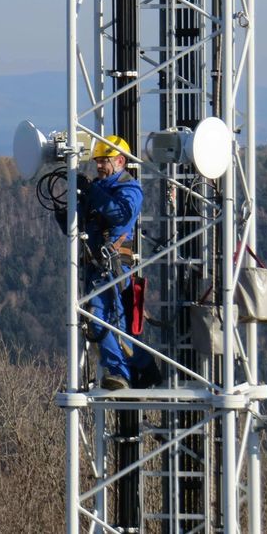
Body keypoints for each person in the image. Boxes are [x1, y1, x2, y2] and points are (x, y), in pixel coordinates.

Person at [78, 135, 159, 390]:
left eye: (105, 161)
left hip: (115, 267)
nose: (100, 166)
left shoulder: (129, 188)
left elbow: (119, 214)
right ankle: (141, 369)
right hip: (97, 268)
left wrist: (92, 192)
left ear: (120, 161)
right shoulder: (99, 190)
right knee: (106, 321)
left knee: (106, 320)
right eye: (98, 162)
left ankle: (122, 373)